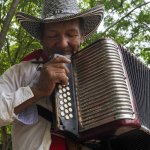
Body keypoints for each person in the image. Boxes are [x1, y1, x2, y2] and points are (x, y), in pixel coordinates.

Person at [0, 0, 104, 149]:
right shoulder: (20, 72)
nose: (62, 43)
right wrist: (36, 90)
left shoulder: (99, 73)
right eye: (52, 35)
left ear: (82, 37)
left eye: (71, 34)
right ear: (41, 39)